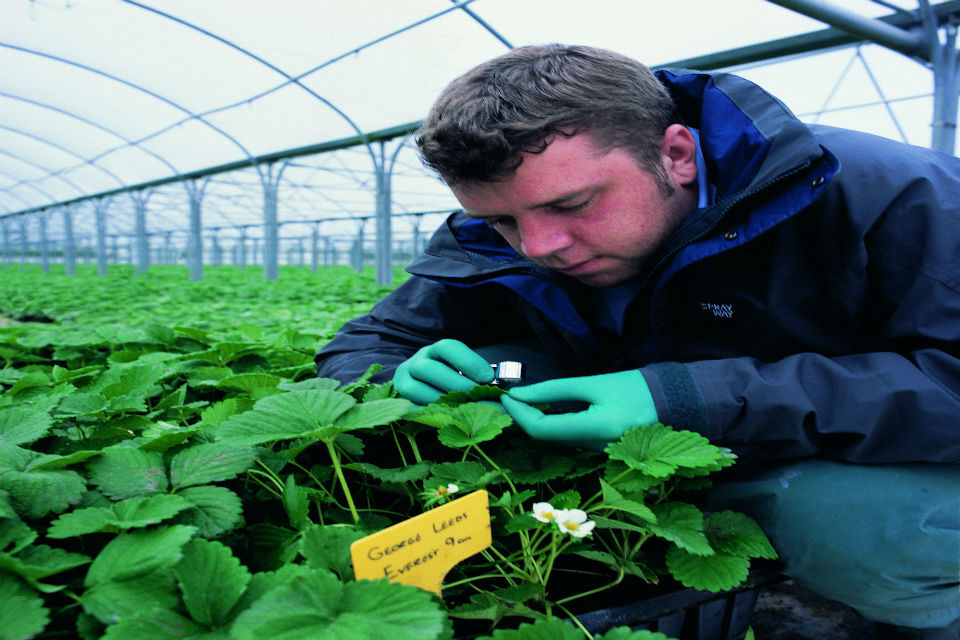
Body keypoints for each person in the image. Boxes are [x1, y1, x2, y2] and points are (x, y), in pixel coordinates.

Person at [316, 44, 960, 637]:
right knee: (497, 367)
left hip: (869, 455)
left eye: (573, 205)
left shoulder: (894, 197)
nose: (539, 246)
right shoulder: (494, 236)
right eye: (503, 219)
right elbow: (372, 339)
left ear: (676, 154)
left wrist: (694, 397)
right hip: (683, 454)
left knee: (861, 527)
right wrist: (391, 376)